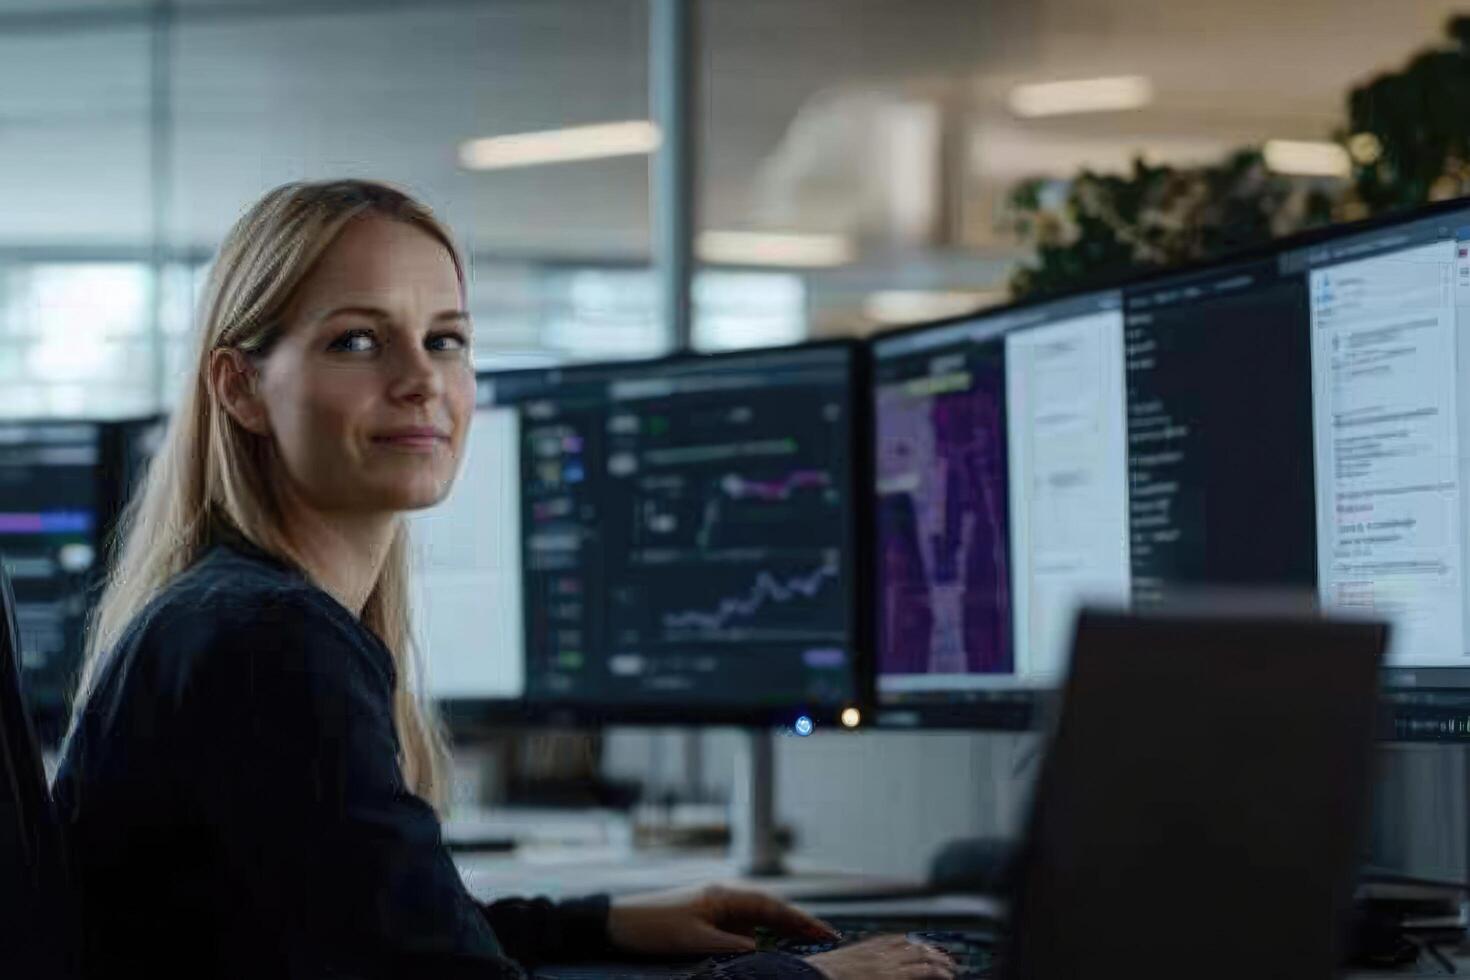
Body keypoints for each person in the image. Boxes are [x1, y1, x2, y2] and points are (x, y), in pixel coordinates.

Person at [50, 180, 954, 980]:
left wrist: (608, 924)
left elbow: (382, 927)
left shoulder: (234, 613)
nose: (419, 380)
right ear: (240, 388)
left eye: (446, 340)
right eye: (359, 341)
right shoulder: (268, 643)